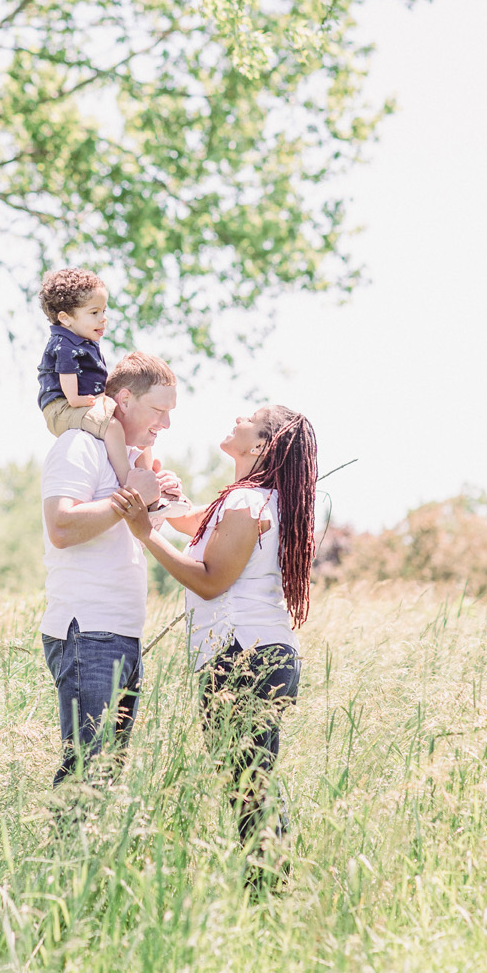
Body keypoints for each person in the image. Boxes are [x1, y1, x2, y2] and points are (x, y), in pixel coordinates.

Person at [114, 405, 317, 874]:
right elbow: (191, 524)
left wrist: (145, 533)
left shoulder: (249, 503)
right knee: (250, 782)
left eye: (253, 417)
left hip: (244, 656)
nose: (240, 416)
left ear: (261, 445)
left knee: (249, 787)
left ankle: (269, 896)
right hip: (251, 653)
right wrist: (159, 492)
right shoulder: (249, 499)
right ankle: (269, 893)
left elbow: (209, 581)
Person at [40, 352, 180, 786]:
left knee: (106, 777)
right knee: (85, 775)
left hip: (124, 633)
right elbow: (61, 527)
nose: (166, 423)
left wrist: (160, 500)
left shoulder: (129, 461)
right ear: (123, 398)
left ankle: (91, 857)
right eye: (158, 410)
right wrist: (128, 500)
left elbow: (139, 529)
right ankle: (65, 855)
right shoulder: (79, 445)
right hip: (88, 631)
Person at [36, 267, 154, 490]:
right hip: (61, 409)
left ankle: (149, 477)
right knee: (112, 426)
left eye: (104, 311)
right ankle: (130, 484)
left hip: (77, 404)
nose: (103, 319)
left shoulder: (84, 342)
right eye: (94, 313)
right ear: (66, 318)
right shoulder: (64, 345)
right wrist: (84, 401)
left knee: (134, 423)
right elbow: (70, 390)